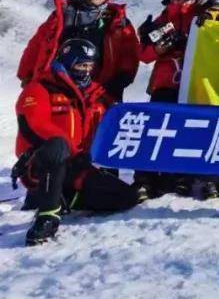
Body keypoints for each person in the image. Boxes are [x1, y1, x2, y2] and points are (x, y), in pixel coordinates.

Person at [14, 39, 143, 245]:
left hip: (77, 167)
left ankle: (66, 197)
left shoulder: (96, 95)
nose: (86, 71)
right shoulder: (40, 89)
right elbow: (34, 124)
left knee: (127, 196)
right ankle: (48, 215)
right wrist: (72, 151)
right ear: (67, 61)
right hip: (41, 165)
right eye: (81, 65)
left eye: (90, 66)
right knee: (57, 145)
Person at [18, 0, 139, 104]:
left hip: (98, 88)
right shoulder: (62, 15)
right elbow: (38, 43)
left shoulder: (119, 23)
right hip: (58, 83)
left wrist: (118, 84)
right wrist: (26, 75)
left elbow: (129, 55)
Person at [134, 0, 202, 199]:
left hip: (191, 82)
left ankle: (181, 176)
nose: (183, 3)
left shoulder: (201, 17)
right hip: (164, 83)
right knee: (154, 129)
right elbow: (144, 55)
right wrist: (159, 49)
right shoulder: (164, 20)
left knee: (186, 130)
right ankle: (145, 178)